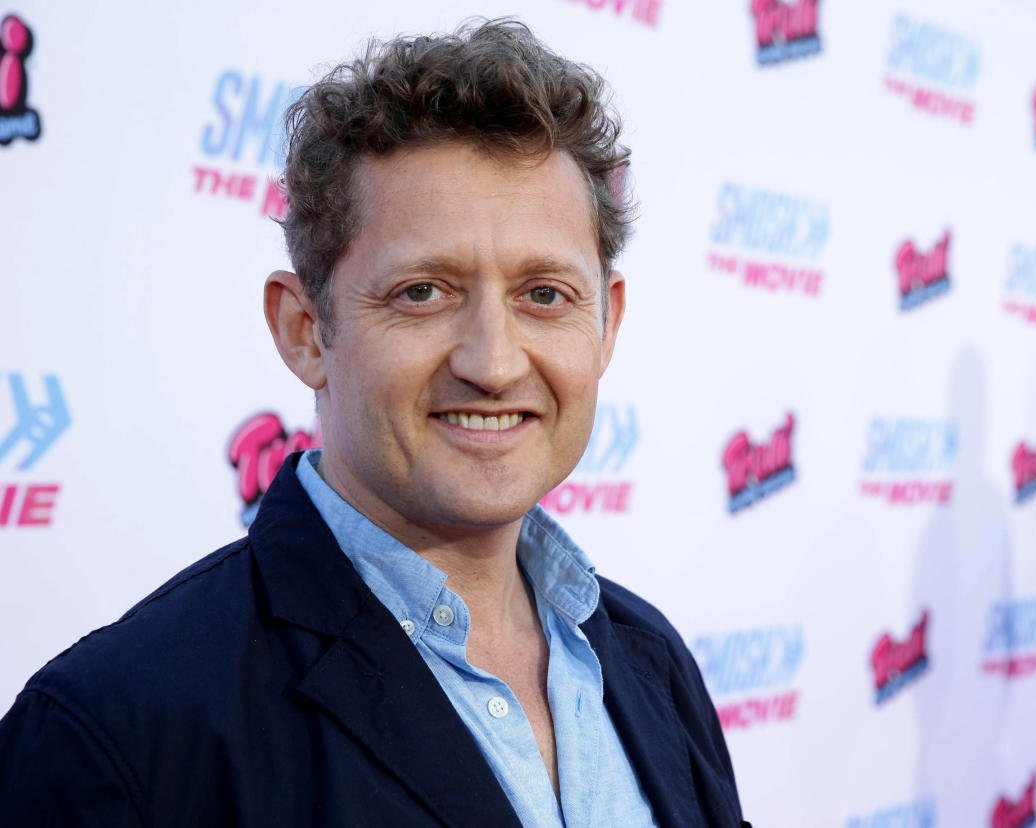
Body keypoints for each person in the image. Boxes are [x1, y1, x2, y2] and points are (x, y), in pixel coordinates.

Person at [0, 19, 746, 828]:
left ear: (606, 325)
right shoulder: (117, 733)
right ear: (305, 331)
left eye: (545, 295)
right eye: (422, 292)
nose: (494, 363)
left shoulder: (650, 661)